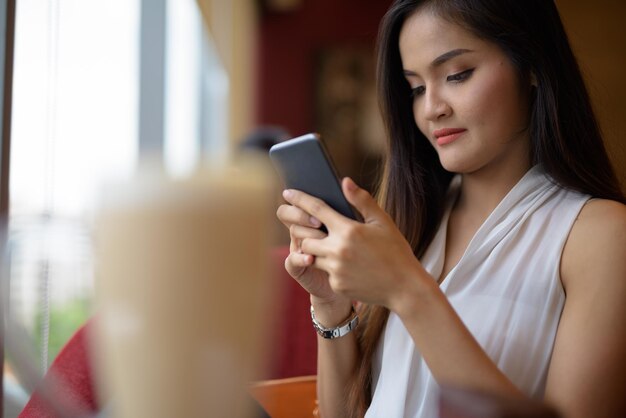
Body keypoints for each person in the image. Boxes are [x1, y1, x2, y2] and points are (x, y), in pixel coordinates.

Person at [276, 1, 626, 417]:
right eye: (416, 88)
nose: (431, 108)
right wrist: (331, 305)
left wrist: (408, 290)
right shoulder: (410, 221)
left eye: (457, 75)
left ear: (532, 65)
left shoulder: (601, 236)